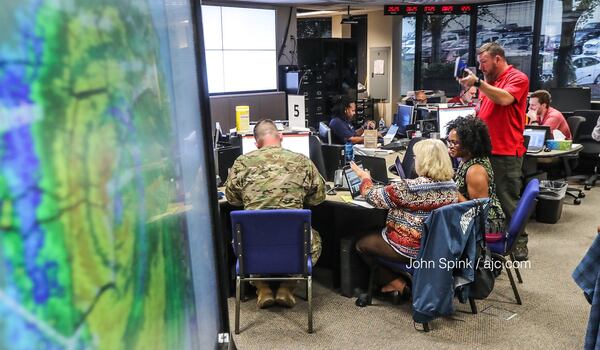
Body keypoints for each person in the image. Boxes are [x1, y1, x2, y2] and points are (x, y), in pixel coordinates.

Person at [225, 119, 326, 308]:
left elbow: (231, 199)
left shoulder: (241, 163)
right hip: (294, 243)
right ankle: (287, 287)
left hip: (252, 244)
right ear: (280, 136)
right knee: (315, 241)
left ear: (256, 144)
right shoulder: (302, 161)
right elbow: (319, 197)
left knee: (240, 239)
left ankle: (262, 288)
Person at [351, 139, 458, 296]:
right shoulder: (452, 185)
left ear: (424, 161)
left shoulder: (409, 188)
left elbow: (371, 196)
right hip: (438, 246)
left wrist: (365, 178)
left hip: (410, 248)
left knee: (361, 245)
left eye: (416, 157)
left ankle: (397, 283)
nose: (414, 160)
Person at [459, 42, 530, 261]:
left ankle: (517, 244)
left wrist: (478, 83)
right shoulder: (490, 82)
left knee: (507, 199)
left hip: (506, 151)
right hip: (485, 150)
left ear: (497, 59)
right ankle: (489, 239)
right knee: (487, 200)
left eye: (484, 62)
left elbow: (505, 99)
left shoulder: (516, 78)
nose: (481, 68)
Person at [446, 116, 506, 235]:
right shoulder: (466, 159)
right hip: (475, 218)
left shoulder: (475, 171)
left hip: (487, 225)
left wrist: (452, 191)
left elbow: (478, 212)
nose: (450, 146)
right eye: (449, 141)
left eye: (455, 142)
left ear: (469, 143)